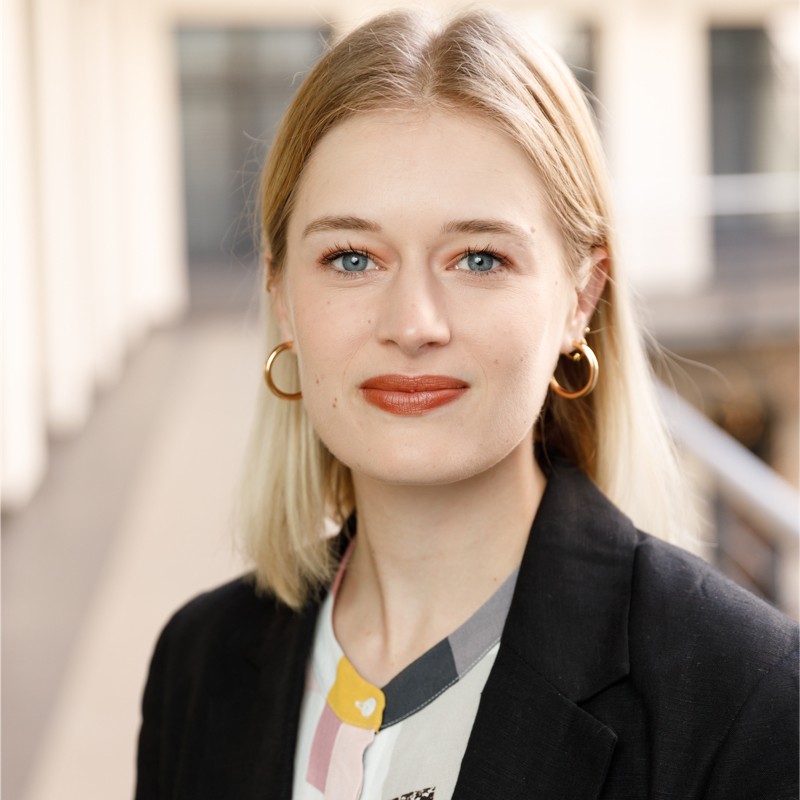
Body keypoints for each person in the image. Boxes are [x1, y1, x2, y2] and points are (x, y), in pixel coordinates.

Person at [135, 9, 798, 800]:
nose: (413, 323)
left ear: (580, 297)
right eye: (351, 258)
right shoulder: (198, 662)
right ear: (281, 294)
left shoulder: (748, 699)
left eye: (479, 258)